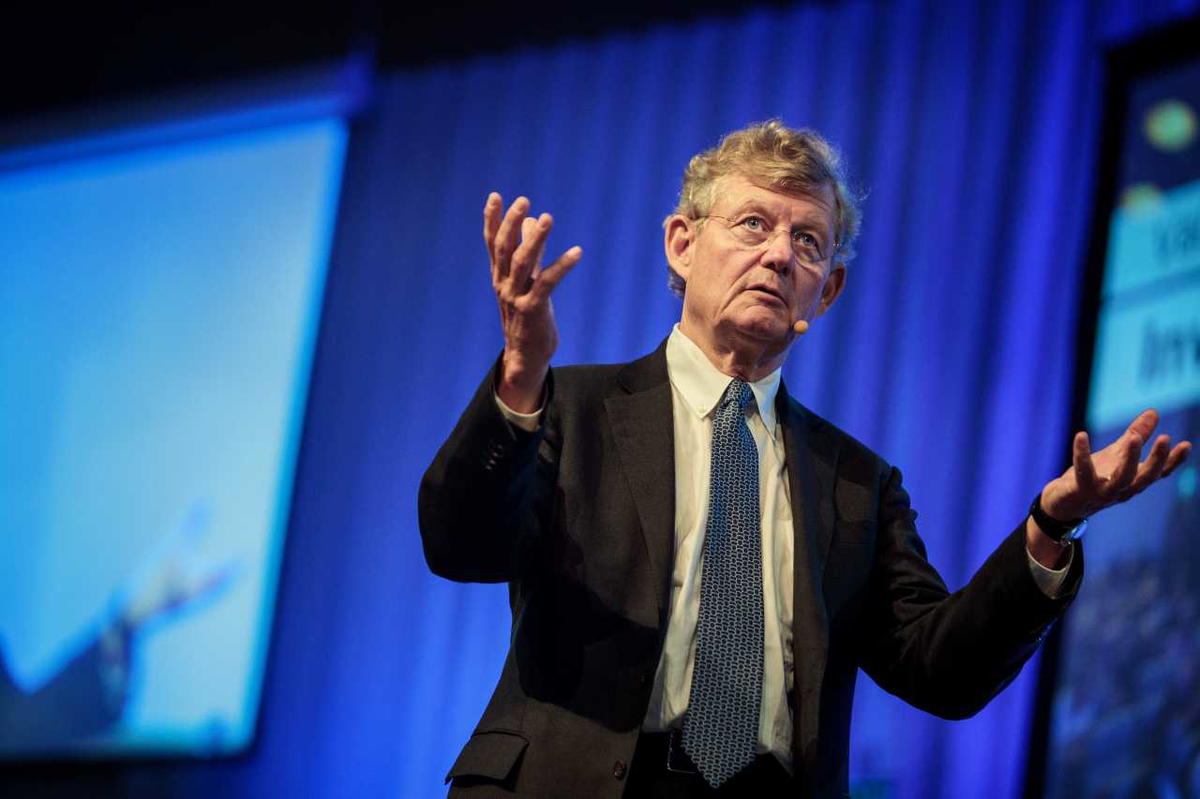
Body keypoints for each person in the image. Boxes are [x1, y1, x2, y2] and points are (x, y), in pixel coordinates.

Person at [418, 120, 1191, 798]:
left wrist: (1051, 525)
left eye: (808, 242)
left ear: (828, 290)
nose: (780, 255)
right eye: (753, 224)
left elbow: (940, 669)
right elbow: (460, 544)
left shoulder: (857, 481)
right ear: (682, 244)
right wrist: (520, 377)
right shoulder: (570, 410)